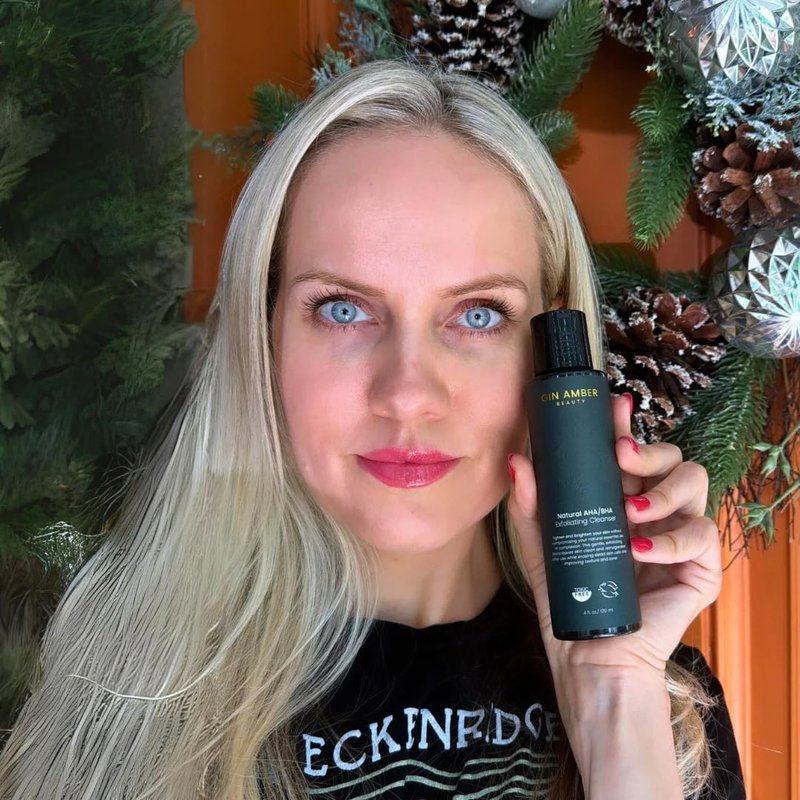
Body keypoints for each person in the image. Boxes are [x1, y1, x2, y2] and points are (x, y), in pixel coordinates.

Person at [0, 58, 745, 800]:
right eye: (343, 310)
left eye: (478, 314)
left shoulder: (664, 719)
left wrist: (614, 701)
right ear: (264, 337)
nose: (408, 395)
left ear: (550, 351)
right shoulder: (126, 701)